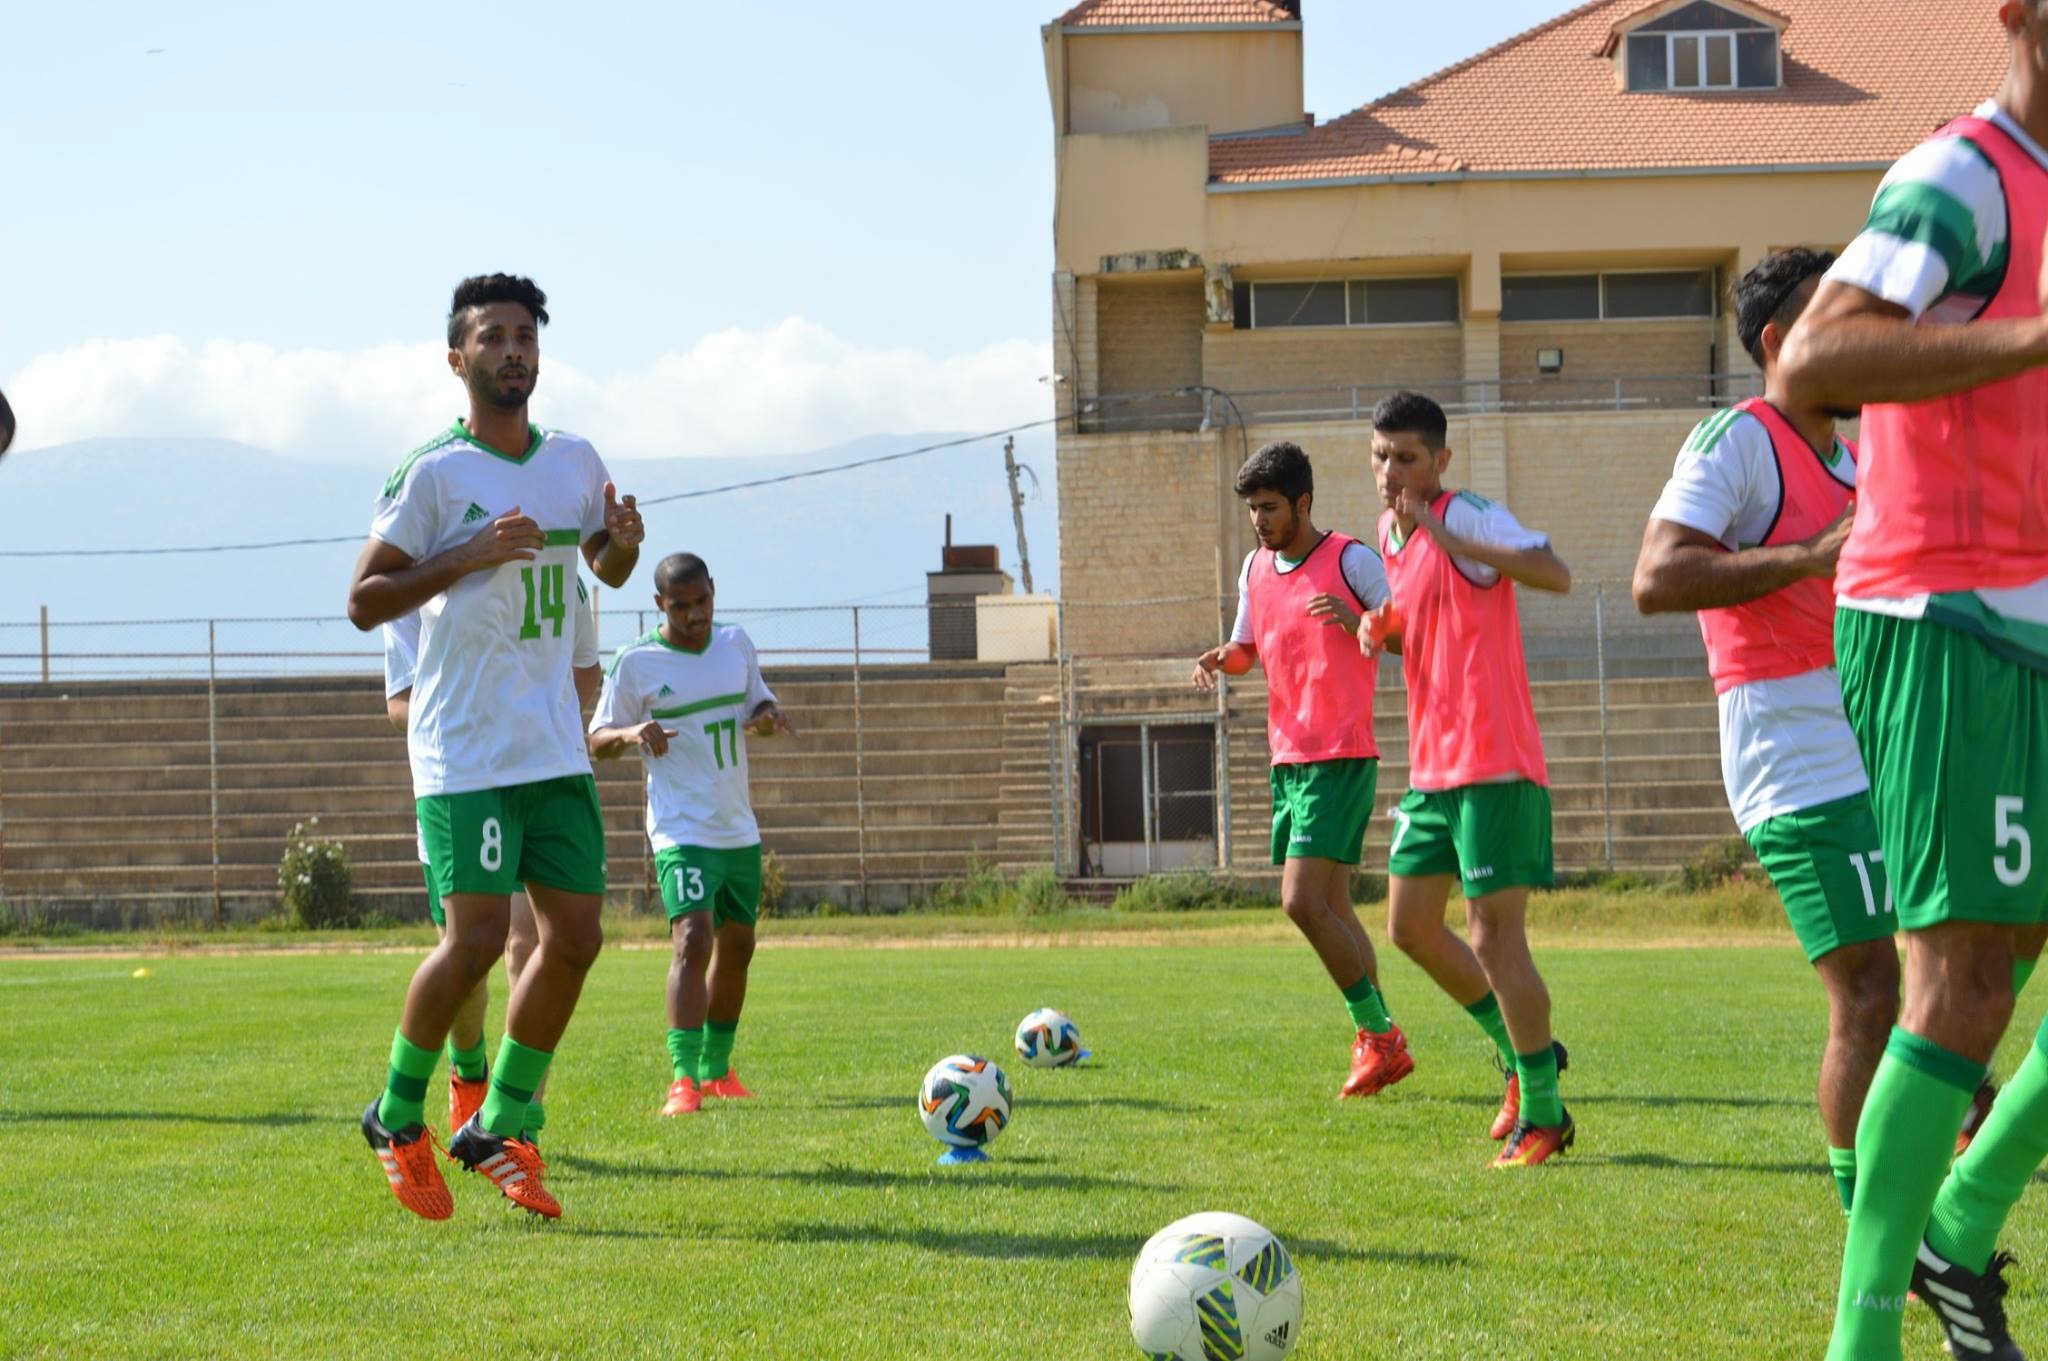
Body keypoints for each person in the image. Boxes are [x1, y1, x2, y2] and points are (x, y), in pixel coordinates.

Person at [1779, 5, 2048, 1353]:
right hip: (1941, 609)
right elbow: (1813, 359)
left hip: (2035, 620)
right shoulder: (1965, 175)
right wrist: (2034, 335)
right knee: (1961, 983)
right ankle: (1863, 1334)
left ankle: (1958, 1222)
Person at [346, 273, 642, 1221]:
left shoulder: (574, 460)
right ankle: (396, 1114)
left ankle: (499, 1125)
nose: (514, 350)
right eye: (493, 337)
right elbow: (364, 600)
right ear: (457, 358)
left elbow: (605, 570)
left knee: (576, 939)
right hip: (465, 749)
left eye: (525, 336)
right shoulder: (433, 473)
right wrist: (464, 556)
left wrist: (624, 545)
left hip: (552, 745)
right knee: (475, 942)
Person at [1632, 248, 1897, 1216]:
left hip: (1867, 729)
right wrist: (1807, 554)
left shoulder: (1856, 458)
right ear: (1781, 341)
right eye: (1841, 317)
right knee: (1865, 986)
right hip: (1789, 744)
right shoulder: (1738, 438)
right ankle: (1873, 1228)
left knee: (1932, 966)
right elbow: (1656, 577)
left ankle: (1947, 1120)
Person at [1366, 390, 1574, 1169]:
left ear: (1441, 460)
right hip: (1432, 769)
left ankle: (1544, 1113)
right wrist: (1383, 627)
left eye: (1407, 457)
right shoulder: (1390, 534)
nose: (1391, 471)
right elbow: (1425, 622)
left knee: (1493, 935)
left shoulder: (1470, 515)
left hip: (1494, 761)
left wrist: (1451, 534)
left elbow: (1554, 573)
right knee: (1410, 926)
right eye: (1380, 456)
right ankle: (1524, 1058)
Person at [1191, 441, 1405, 1100]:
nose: (1259, 519)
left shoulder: (1350, 559)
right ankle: (1381, 1040)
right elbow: (1247, 650)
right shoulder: (1255, 568)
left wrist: (1358, 619)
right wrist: (1221, 659)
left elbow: (1405, 633)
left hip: (1339, 754)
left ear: (1302, 502)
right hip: (1288, 757)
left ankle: (1379, 1036)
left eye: (1270, 507)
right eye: (1253, 509)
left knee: (1300, 901)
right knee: (1334, 906)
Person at [381, 579, 603, 1140]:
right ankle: (469, 1070)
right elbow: (400, 702)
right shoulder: (421, 578)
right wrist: (474, 712)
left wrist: (538, 720)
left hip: (538, 779)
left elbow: (585, 667)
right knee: (469, 959)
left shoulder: (555, 567)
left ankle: (518, 1123)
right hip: (461, 777)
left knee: (534, 945)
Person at [589, 553, 790, 1116]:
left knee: (739, 945)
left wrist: (769, 717)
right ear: (660, 604)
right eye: (681, 606)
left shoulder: (735, 644)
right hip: (681, 828)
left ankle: (718, 1070)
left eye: (702, 601)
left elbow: (759, 702)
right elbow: (597, 740)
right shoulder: (635, 662)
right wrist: (632, 732)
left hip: (737, 825)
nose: (695, 615)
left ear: (713, 591)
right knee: (693, 939)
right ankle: (683, 1079)